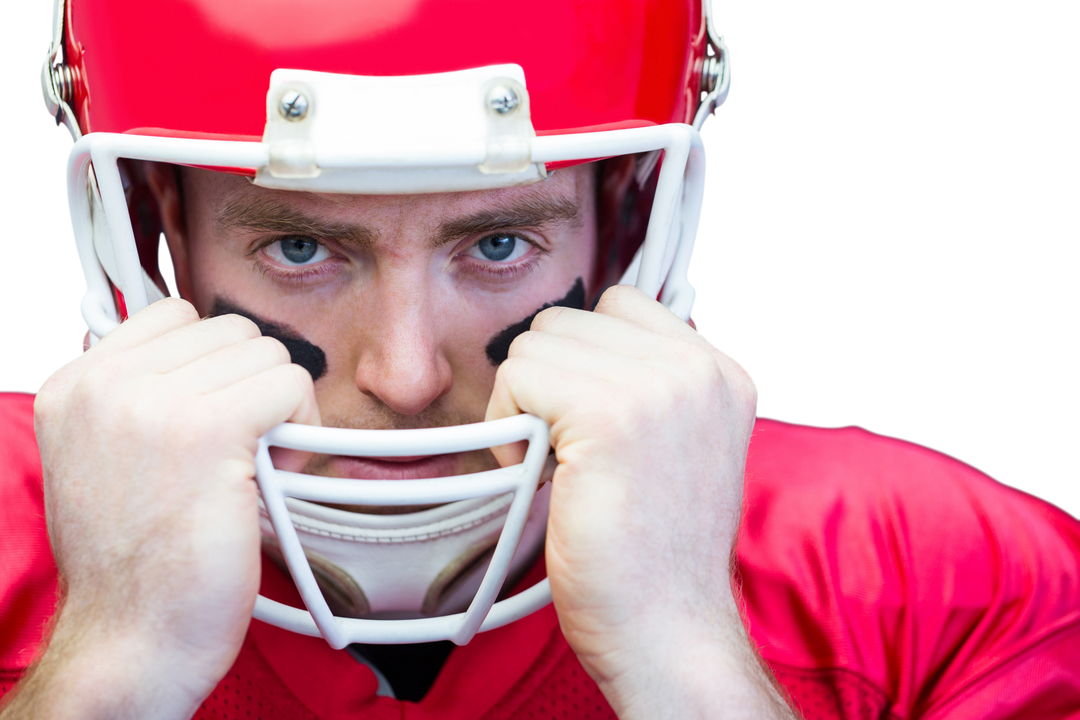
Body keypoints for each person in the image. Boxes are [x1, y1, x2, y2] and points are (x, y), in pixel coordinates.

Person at [2, 1, 1078, 719]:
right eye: (300, 247)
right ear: (160, 236)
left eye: (499, 244)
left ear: (617, 226)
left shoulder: (934, 576)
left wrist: (688, 662)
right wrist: (106, 670)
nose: (408, 375)